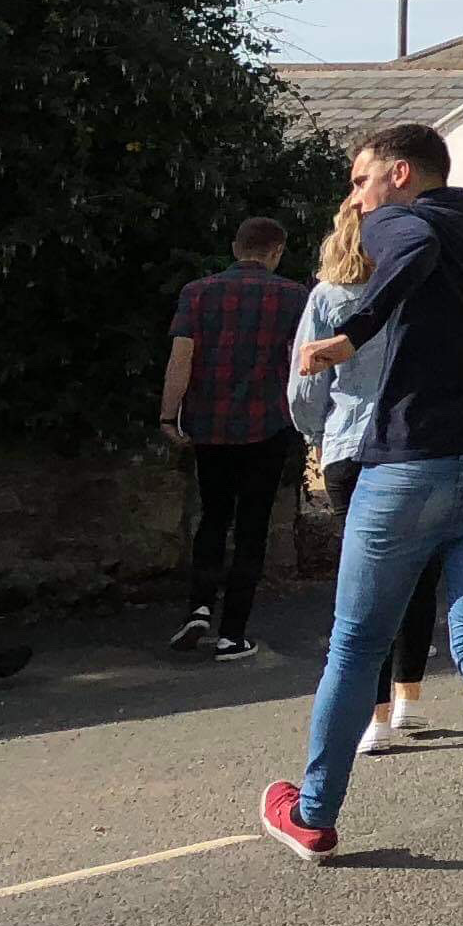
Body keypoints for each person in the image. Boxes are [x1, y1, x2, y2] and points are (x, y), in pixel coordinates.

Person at [264, 119, 463, 897]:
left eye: (361, 180)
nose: (356, 198)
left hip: (409, 462)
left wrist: (352, 335)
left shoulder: (402, 219)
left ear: (400, 173)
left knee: (356, 643)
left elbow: (410, 255)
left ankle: (313, 813)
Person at [291, 204, 434, 754]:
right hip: (410, 439)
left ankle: (373, 715)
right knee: (418, 569)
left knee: (366, 580)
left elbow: (305, 384)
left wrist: (315, 431)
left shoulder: (327, 297)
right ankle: (408, 693)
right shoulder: (412, 293)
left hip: (348, 441)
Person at [161, 215, 309, 663]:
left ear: (235, 246)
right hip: (267, 424)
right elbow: (301, 360)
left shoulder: (197, 292)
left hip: (209, 425)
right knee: (252, 525)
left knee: (212, 516)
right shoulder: (293, 296)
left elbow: (181, 357)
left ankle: (199, 607)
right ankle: (233, 633)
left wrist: (169, 415)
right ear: (276, 251)